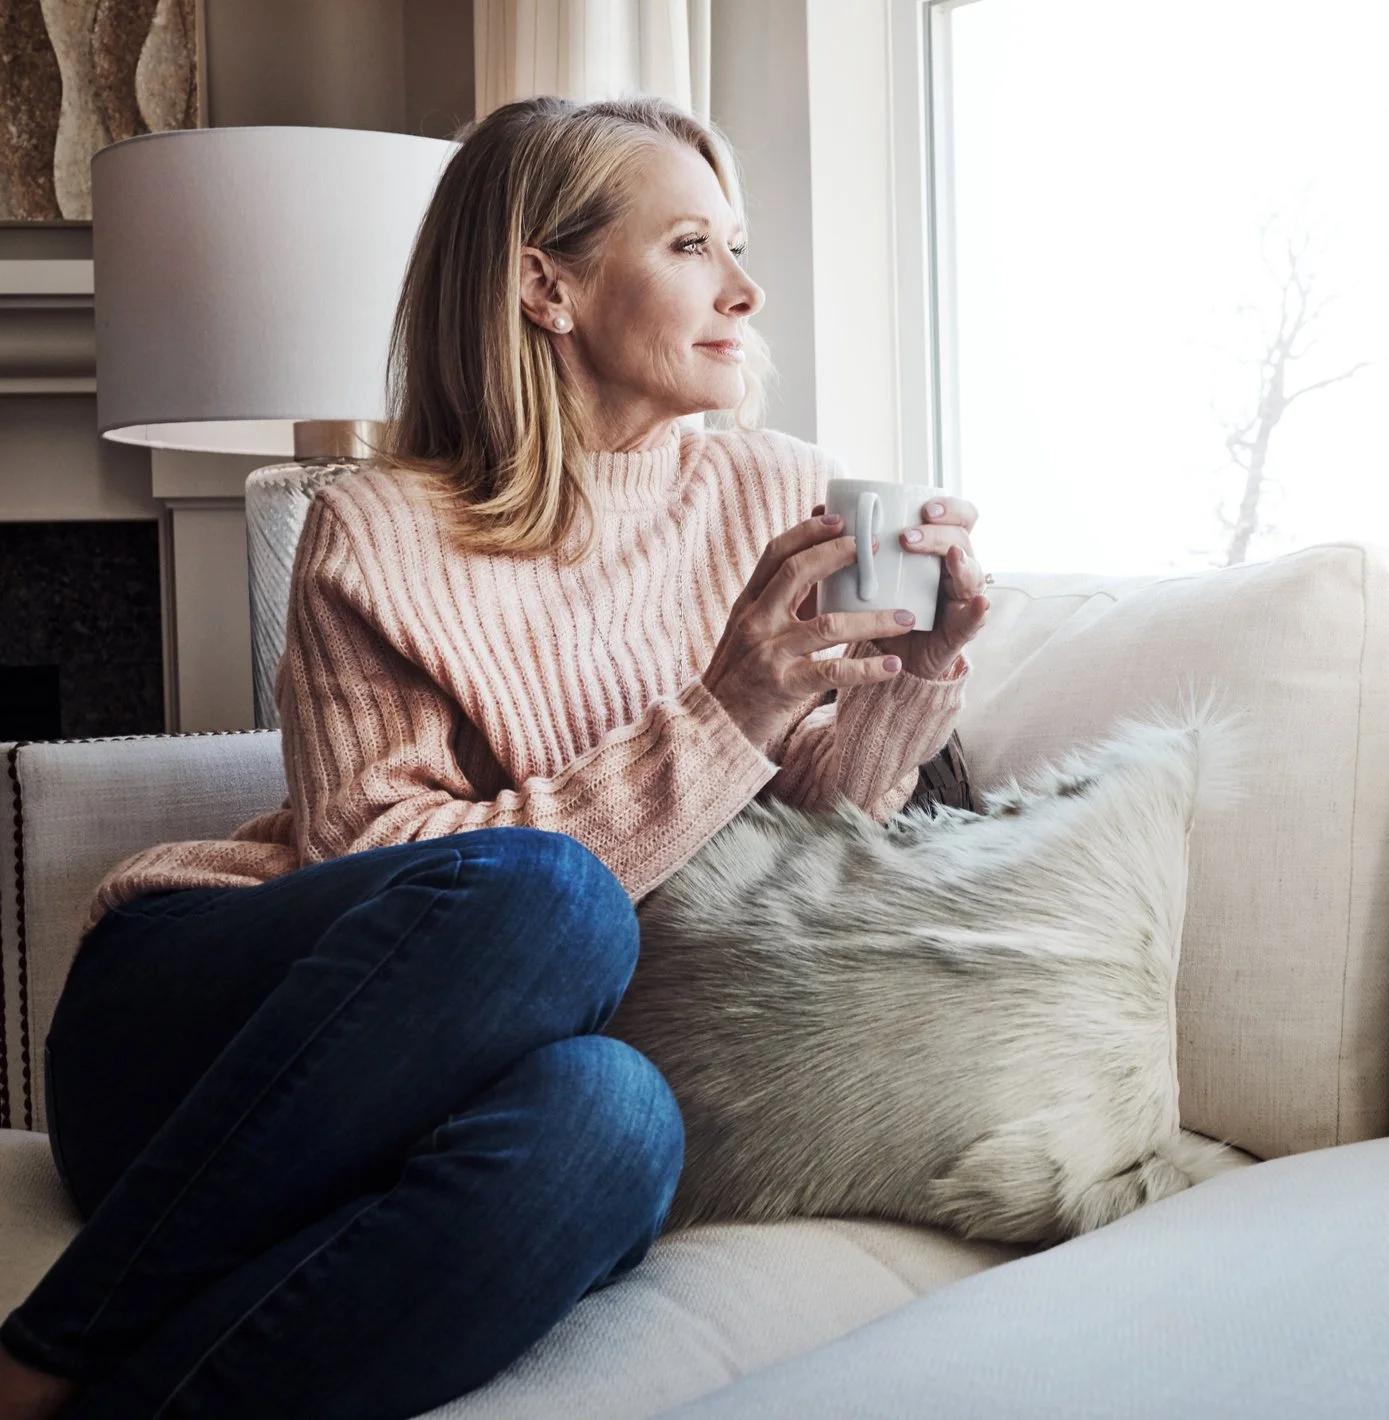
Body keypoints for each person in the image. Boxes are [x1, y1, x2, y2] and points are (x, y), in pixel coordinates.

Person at [0, 93, 989, 1420]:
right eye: (693, 246)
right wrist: (721, 715)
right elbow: (387, 875)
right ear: (546, 285)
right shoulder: (381, 524)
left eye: (738, 246)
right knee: (553, 899)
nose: (746, 291)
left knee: (615, 1121)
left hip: (446, 1091)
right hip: (199, 1026)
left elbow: (789, 837)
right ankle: (44, 1349)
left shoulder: (771, 491)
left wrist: (910, 682)